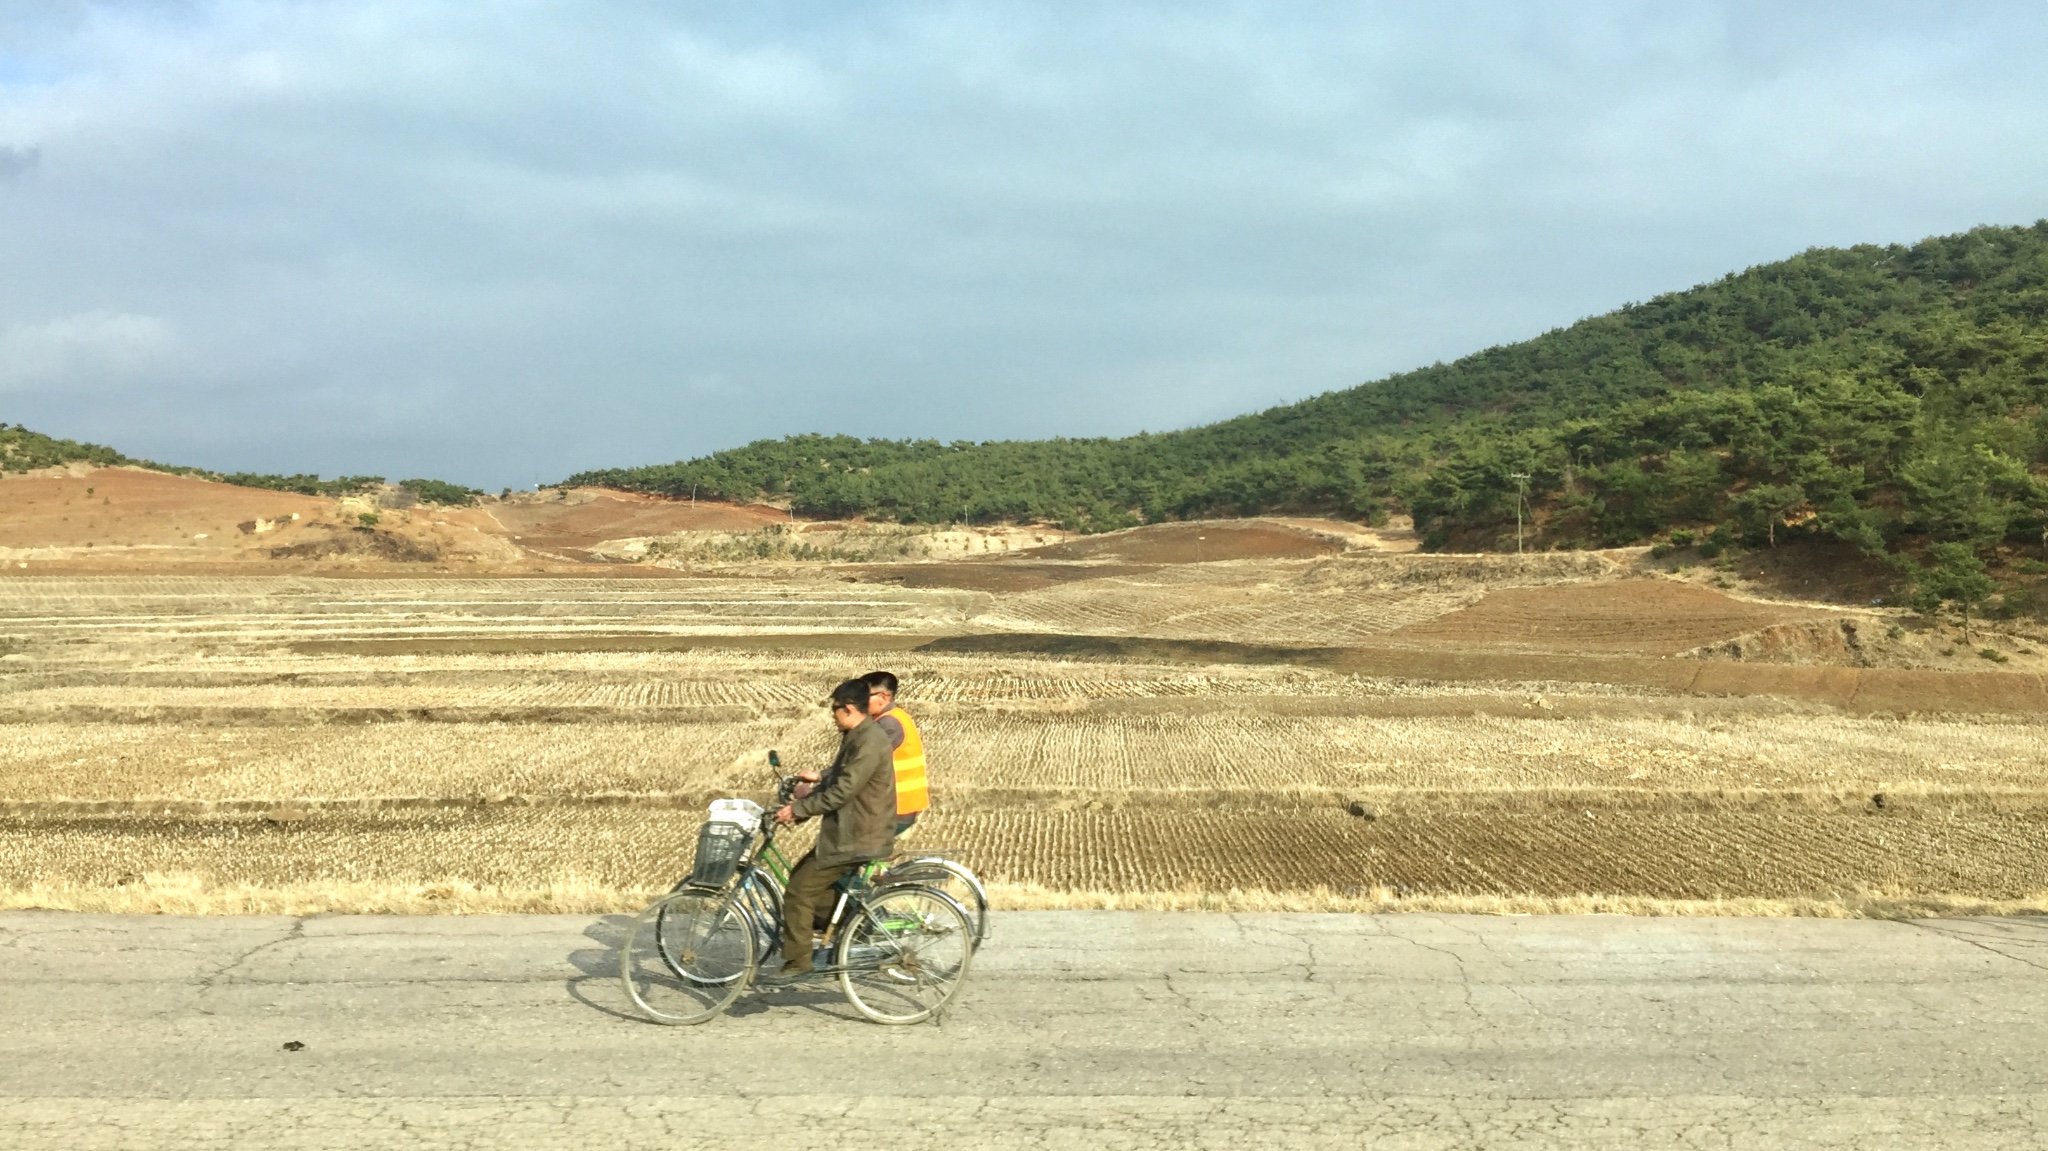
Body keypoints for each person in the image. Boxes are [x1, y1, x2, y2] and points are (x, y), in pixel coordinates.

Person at [764, 678, 896, 981]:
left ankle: (799, 961)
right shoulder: (858, 735)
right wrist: (807, 794)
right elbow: (837, 779)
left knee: (798, 890)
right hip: (851, 830)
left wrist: (798, 809)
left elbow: (842, 791)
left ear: (848, 709)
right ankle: (850, 928)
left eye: (834, 710)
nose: (832, 715)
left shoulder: (868, 741)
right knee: (807, 882)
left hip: (858, 835)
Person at [862, 669, 929, 839]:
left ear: (883, 697)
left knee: (842, 853)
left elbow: (860, 763)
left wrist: (820, 778)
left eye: (864, 695)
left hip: (897, 808)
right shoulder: (893, 717)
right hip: (894, 805)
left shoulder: (889, 723)